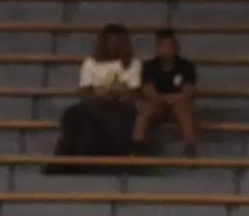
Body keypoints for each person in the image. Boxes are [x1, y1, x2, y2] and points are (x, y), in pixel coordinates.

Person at [51, 23, 140, 163]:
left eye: (118, 40)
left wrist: (113, 93)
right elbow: (85, 91)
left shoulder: (133, 63)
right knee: (73, 114)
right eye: (110, 40)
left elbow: (132, 92)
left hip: (120, 106)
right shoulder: (91, 63)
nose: (114, 44)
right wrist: (101, 95)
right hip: (96, 104)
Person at [133, 29, 199, 156]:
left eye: (170, 45)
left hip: (178, 105)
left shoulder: (186, 66)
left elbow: (188, 92)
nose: (166, 49)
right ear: (156, 48)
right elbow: (149, 92)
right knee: (146, 107)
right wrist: (169, 98)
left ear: (176, 47)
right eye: (162, 45)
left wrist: (170, 98)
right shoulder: (149, 66)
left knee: (183, 105)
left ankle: (191, 145)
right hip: (157, 105)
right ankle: (137, 144)